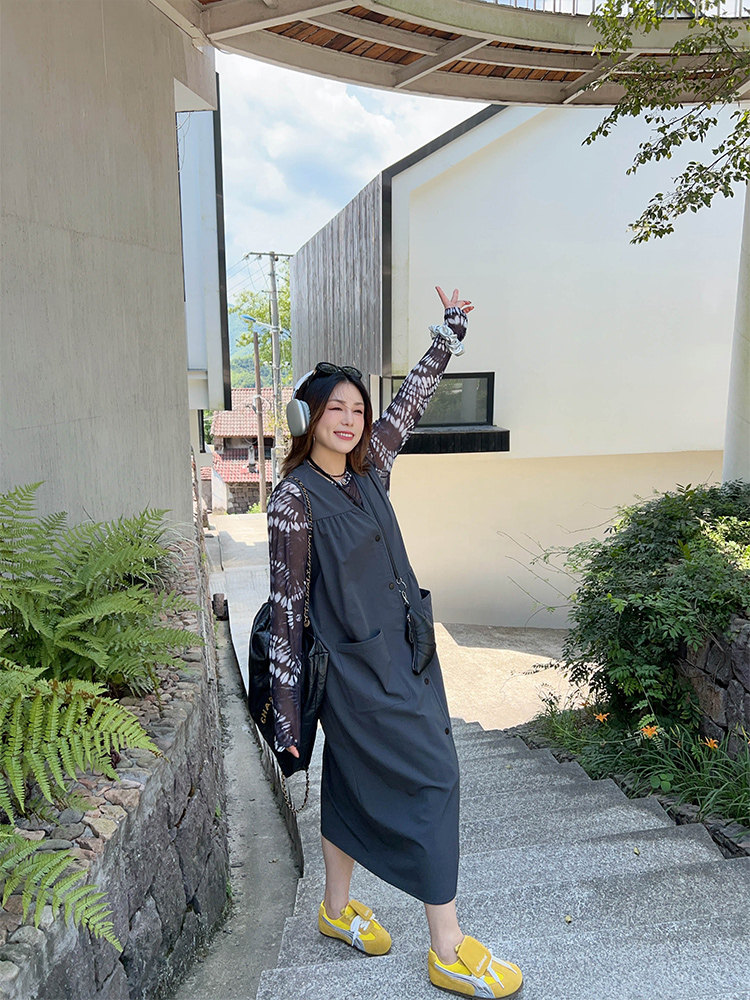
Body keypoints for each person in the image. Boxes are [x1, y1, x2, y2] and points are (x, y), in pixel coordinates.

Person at [266, 287, 523, 998]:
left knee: (351, 780)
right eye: (334, 409)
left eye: (357, 409)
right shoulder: (293, 499)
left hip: (409, 656)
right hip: (356, 675)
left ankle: (334, 908)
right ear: (306, 419)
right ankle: (448, 946)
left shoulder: (372, 467)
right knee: (436, 777)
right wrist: (287, 718)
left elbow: (410, 402)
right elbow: (287, 611)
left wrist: (448, 335)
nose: (349, 420)